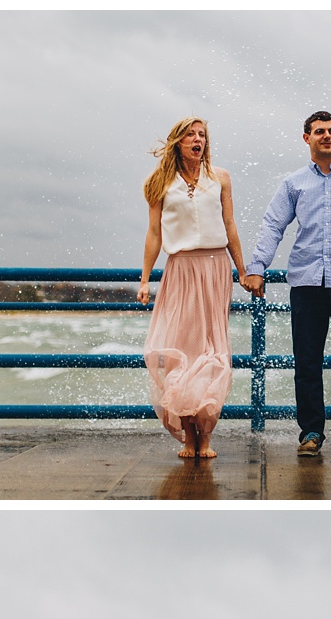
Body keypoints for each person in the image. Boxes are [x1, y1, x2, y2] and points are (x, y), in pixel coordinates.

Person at [243, 112, 331, 459]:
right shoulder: (293, 183)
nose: (327, 136)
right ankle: (310, 432)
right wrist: (257, 267)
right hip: (307, 283)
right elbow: (274, 225)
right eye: (319, 131)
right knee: (307, 363)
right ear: (306, 138)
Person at [138, 117, 250, 460]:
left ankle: (206, 436)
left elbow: (229, 224)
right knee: (180, 355)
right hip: (181, 271)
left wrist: (243, 272)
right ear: (178, 142)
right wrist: (144, 279)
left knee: (213, 354)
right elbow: (155, 233)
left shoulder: (220, 177)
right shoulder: (159, 182)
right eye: (191, 134)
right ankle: (188, 438)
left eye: (202, 134)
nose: (197, 139)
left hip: (216, 269)